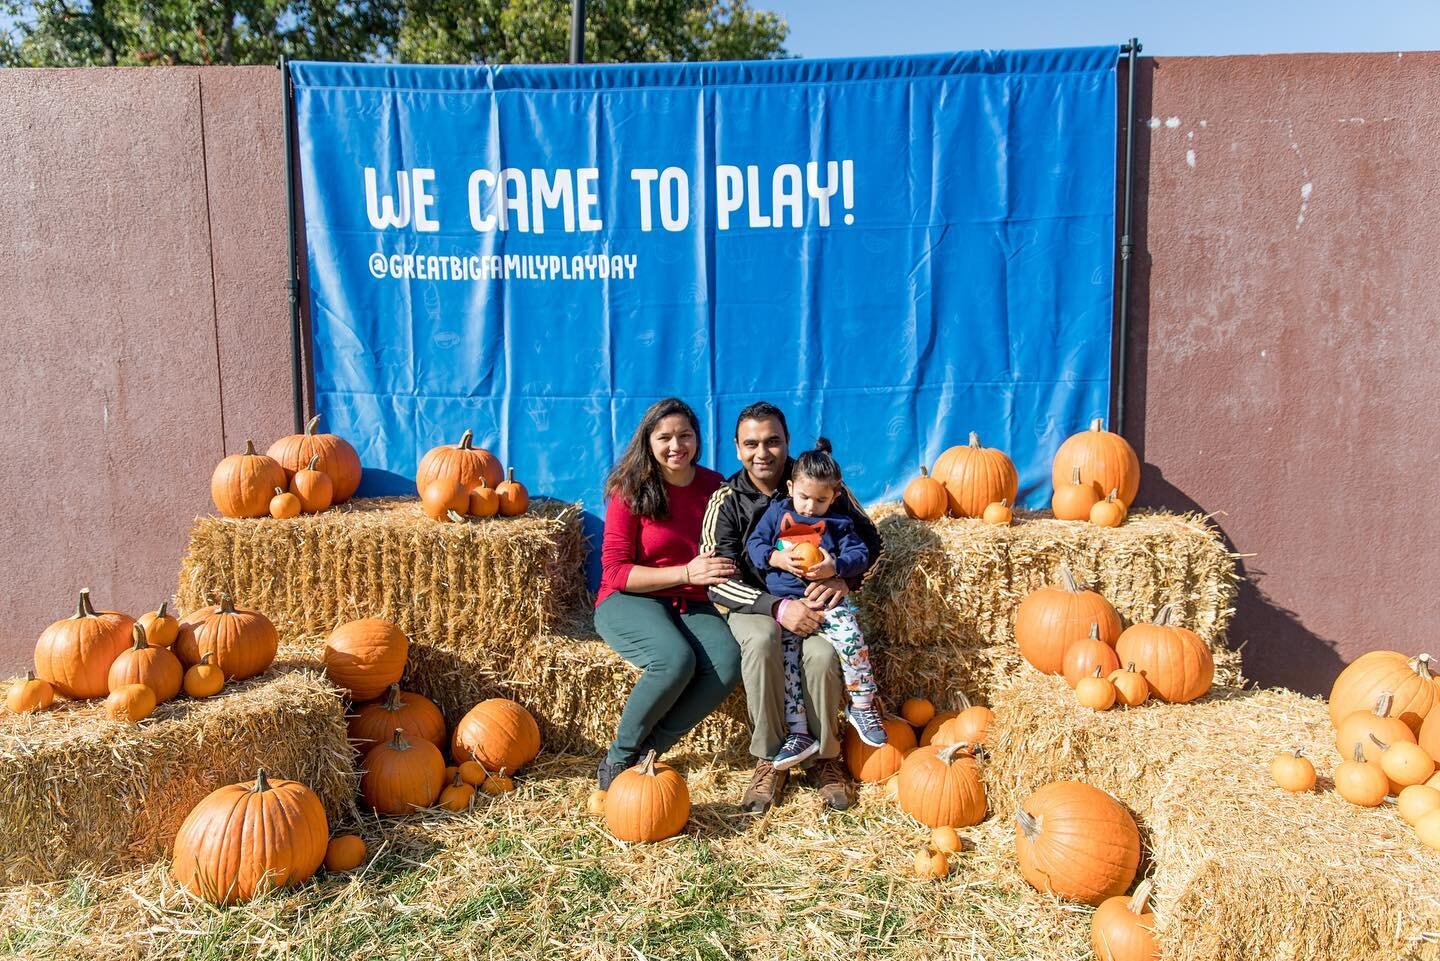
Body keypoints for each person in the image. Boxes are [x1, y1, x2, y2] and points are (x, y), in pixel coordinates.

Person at [699, 402, 883, 813]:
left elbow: (869, 540)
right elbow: (717, 578)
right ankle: (770, 758)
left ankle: (824, 757)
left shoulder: (816, 479)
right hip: (754, 604)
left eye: (773, 442)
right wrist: (777, 607)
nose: (762, 452)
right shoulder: (726, 499)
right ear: (736, 447)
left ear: (787, 443)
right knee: (763, 640)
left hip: (812, 601)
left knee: (819, 655)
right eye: (751, 444)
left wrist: (842, 578)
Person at [593, 397, 743, 789]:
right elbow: (616, 570)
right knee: (674, 660)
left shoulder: (716, 487)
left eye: (685, 436)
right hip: (629, 599)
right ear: (649, 441)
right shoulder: (631, 489)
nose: (676, 445)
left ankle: (651, 749)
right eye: (665, 437)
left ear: (697, 439)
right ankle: (619, 756)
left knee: (728, 662)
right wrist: (686, 571)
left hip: (691, 601)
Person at [745, 438, 886, 770]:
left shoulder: (839, 522)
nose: (809, 507)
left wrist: (835, 567)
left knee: (852, 639)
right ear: (791, 486)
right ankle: (798, 731)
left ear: (834, 497)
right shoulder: (776, 513)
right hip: (789, 607)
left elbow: (861, 554)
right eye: (804, 497)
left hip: (826, 603)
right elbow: (754, 545)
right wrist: (776, 557)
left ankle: (862, 703)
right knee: (789, 662)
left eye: (820, 500)